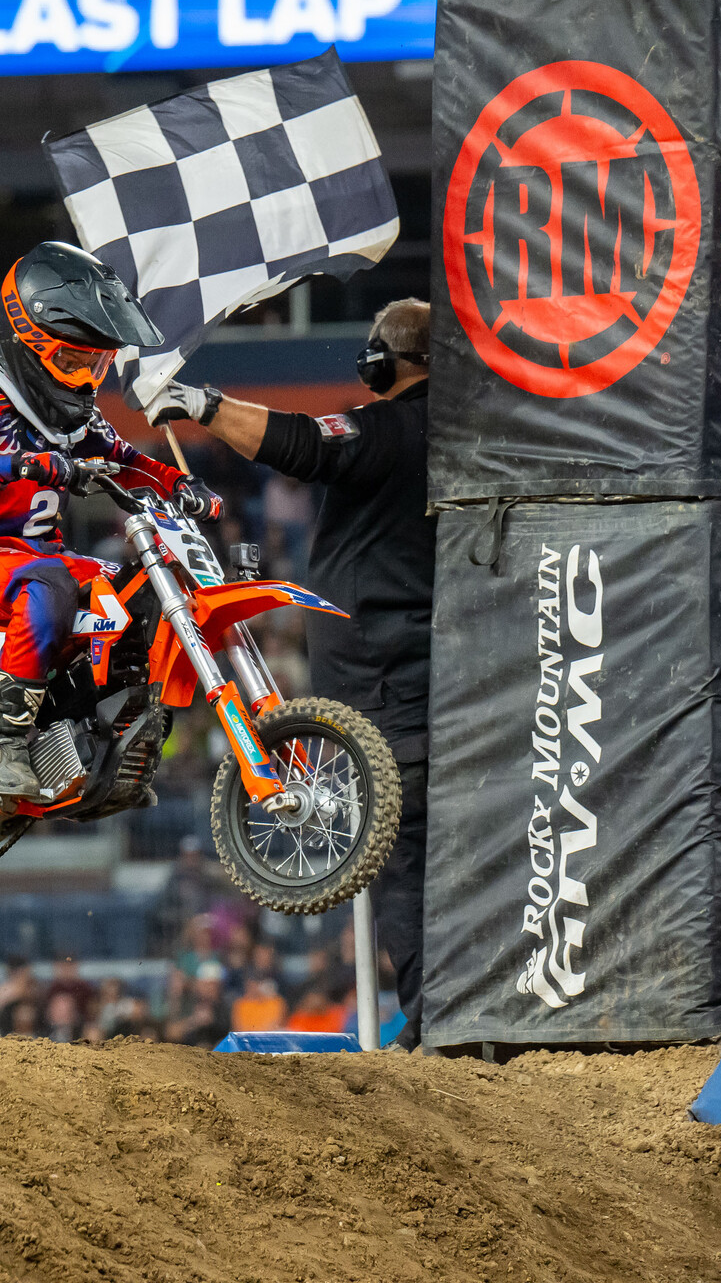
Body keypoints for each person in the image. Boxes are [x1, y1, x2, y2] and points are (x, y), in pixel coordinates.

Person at [150, 298, 433, 1049]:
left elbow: (306, 444)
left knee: (405, 859)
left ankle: (436, 1026)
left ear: (384, 364)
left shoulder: (395, 428)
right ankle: (455, 1017)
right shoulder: (457, 436)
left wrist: (202, 405)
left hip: (389, 686)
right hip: (428, 680)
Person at [0, 242, 217, 799]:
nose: (85, 379)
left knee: (133, 590)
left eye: (96, 364)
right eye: (71, 362)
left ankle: (110, 736)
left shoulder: (73, 416)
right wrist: (22, 464)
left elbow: (126, 459)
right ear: (26, 342)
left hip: (44, 557)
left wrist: (180, 484)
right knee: (51, 584)